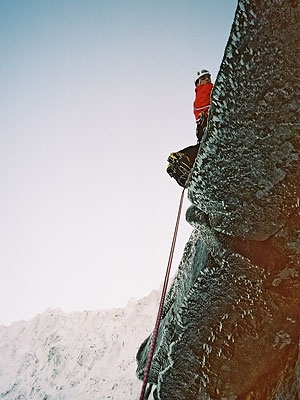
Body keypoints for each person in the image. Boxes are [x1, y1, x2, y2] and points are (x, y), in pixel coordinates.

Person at [193, 69, 213, 141]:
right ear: (198, 84)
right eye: (203, 78)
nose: (207, 79)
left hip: (201, 128)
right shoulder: (208, 88)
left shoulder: (195, 102)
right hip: (207, 120)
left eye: (208, 77)